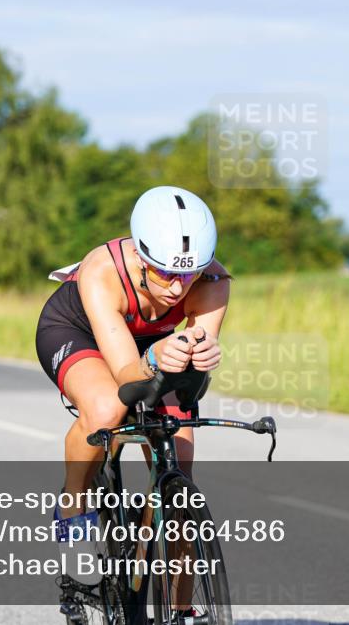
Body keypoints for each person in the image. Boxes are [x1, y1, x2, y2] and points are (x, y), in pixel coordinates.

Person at [35, 185, 231, 539]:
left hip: (152, 342)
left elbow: (191, 381)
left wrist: (202, 357)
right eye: (164, 273)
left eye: (189, 274)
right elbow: (128, 376)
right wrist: (154, 357)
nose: (177, 289)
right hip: (79, 333)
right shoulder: (103, 270)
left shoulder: (212, 281)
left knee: (178, 455)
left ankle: (171, 552)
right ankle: (73, 506)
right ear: (141, 257)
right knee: (107, 409)